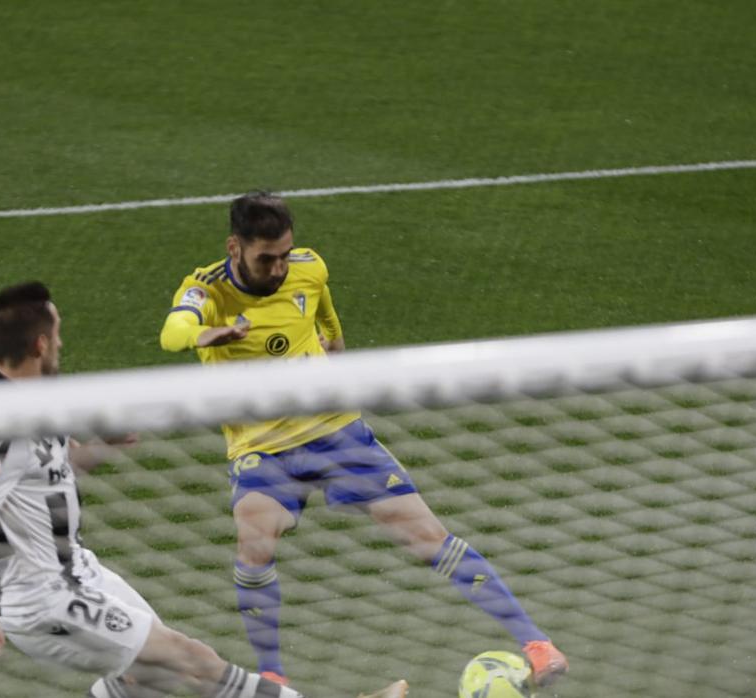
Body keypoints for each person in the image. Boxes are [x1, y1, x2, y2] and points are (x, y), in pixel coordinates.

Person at [160, 193, 568, 688]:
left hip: (334, 429)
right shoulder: (208, 289)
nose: (279, 267)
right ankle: (274, 676)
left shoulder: (309, 269)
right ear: (235, 246)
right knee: (254, 539)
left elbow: (330, 330)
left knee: (426, 538)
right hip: (261, 448)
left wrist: (334, 358)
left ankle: (538, 645)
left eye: (284, 254)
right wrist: (203, 335)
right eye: (266, 258)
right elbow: (173, 331)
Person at [0, 281, 407, 698]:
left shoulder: (41, 402)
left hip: (79, 573)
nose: (62, 344)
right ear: (40, 343)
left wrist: (106, 447)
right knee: (192, 663)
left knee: (150, 676)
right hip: (44, 601)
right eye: (58, 334)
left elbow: (51, 474)